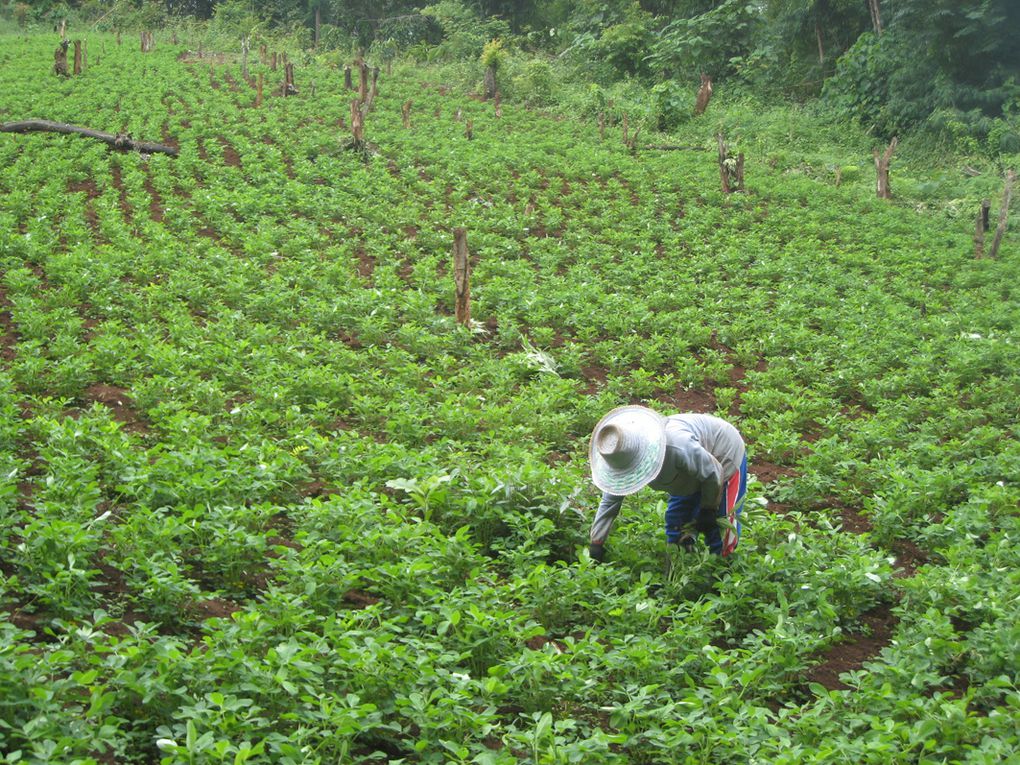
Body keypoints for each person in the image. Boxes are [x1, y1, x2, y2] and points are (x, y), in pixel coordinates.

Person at [587, 405, 747, 564]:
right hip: (686, 474)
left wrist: (708, 508)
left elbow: (713, 472)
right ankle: (679, 568)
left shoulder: (677, 446)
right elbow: (610, 502)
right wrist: (596, 542)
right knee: (676, 525)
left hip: (723, 456)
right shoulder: (620, 457)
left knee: (720, 529)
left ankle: (721, 573)